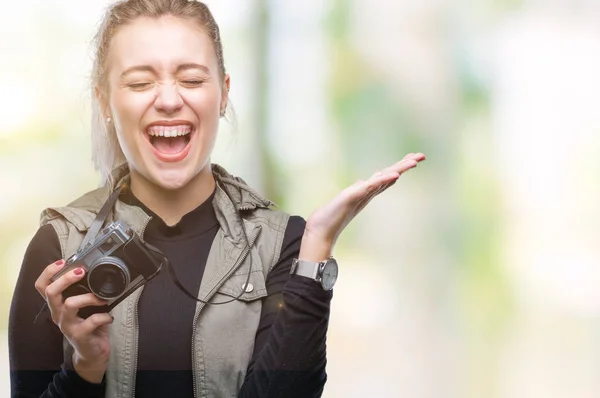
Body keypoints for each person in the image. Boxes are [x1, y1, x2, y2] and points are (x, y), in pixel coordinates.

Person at [8, 0, 425, 397]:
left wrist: (315, 250)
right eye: (139, 82)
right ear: (105, 102)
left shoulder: (283, 246)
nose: (170, 100)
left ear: (223, 94)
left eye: (191, 79)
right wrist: (85, 367)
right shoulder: (58, 246)